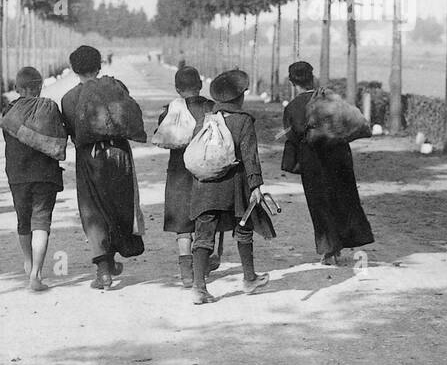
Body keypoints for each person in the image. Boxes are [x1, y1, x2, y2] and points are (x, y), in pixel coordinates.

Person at [59, 45, 140, 290]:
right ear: (100, 64)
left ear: (74, 69)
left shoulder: (69, 98)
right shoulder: (117, 88)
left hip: (89, 157)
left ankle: (104, 270)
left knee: (94, 210)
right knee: (119, 204)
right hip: (119, 153)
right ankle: (114, 256)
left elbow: (72, 131)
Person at [281, 60, 374, 265]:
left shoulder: (293, 107)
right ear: (312, 77)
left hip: (312, 159)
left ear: (292, 82)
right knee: (342, 198)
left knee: (319, 203)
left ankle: (329, 250)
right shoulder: (330, 99)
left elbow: (292, 137)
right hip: (339, 155)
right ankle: (345, 240)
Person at [189, 70, 269, 304]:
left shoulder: (205, 119)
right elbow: (250, 156)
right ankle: (249, 278)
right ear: (239, 97)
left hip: (205, 187)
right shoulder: (243, 121)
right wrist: (256, 185)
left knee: (203, 234)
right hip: (235, 186)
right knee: (244, 227)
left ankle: (199, 288)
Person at [2, 67, 64, 292]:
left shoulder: (9, 111)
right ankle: (36, 273)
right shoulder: (50, 108)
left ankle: (28, 262)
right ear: (40, 86)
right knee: (41, 222)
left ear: (17, 88)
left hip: (17, 175)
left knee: (23, 221)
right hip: (45, 175)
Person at [157, 66, 216, 288]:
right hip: (206, 171)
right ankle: (203, 264)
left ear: (177, 88)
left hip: (178, 172)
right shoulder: (210, 107)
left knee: (182, 223)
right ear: (200, 85)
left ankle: (186, 273)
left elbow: (161, 135)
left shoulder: (170, 110)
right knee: (203, 218)